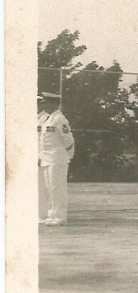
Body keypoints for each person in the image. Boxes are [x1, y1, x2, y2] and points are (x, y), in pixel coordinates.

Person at [38, 92, 74, 226]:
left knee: (57, 188)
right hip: (47, 158)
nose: (45, 105)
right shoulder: (48, 118)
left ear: (54, 103)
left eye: (47, 102)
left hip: (57, 159)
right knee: (50, 188)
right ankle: (51, 215)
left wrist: (65, 155)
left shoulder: (59, 119)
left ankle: (60, 217)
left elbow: (69, 140)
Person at [38, 95, 48, 224]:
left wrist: (40, 156)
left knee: (42, 186)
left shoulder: (46, 118)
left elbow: (44, 140)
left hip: (41, 156)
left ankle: (43, 214)